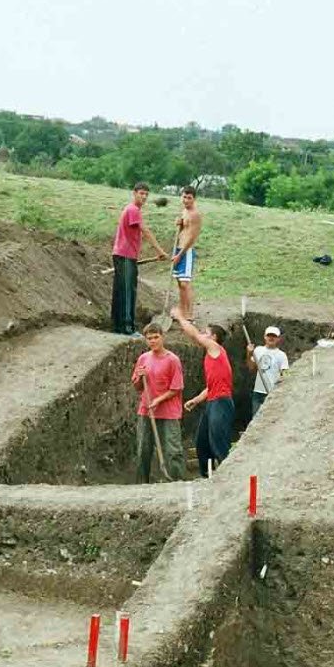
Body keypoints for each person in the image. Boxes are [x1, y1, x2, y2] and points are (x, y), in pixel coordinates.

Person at [171, 307, 234, 478]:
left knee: (218, 442)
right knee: (202, 443)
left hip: (221, 402)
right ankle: (207, 477)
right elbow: (210, 387)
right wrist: (196, 400)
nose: (202, 335)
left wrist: (180, 318)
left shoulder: (216, 349)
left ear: (213, 338)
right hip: (213, 401)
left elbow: (194, 335)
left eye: (206, 333)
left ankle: (228, 477)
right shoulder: (212, 357)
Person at [130, 323, 186, 482]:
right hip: (146, 411)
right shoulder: (143, 358)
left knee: (172, 451)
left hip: (168, 412)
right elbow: (137, 386)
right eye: (149, 338)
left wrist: (158, 400)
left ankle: (176, 482)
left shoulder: (172, 360)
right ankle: (142, 484)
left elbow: (176, 388)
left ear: (162, 337)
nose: (153, 341)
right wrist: (140, 377)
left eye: (156, 337)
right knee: (143, 450)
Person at [111, 182, 169, 336]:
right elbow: (146, 232)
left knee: (120, 291)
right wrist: (161, 251)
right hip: (125, 255)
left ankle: (117, 327)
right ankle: (127, 328)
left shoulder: (132, 210)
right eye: (141, 193)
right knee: (127, 292)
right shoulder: (133, 210)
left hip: (123, 254)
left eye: (146, 194)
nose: (143, 197)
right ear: (134, 193)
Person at [171, 186, 203, 321]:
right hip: (178, 248)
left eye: (189, 198)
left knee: (185, 283)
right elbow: (184, 230)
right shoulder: (184, 211)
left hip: (187, 251)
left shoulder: (195, 214)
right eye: (184, 197)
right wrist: (179, 224)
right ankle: (182, 311)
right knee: (179, 283)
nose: (186, 200)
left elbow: (192, 237)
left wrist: (180, 255)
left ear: (194, 199)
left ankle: (190, 314)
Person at [246, 325, 289, 416]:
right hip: (258, 392)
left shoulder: (281, 355)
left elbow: (285, 375)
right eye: (269, 335)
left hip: (272, 393)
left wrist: (279, 390)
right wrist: (249, 354)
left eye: (274, 336)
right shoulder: (258, 350)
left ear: (278, 339)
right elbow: (251, 367)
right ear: (265, 337)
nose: (271, 338)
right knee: (256, 418)